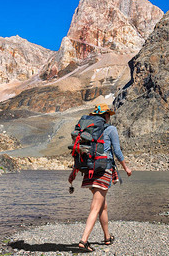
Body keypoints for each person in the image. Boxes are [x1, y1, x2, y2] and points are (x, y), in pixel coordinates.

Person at [68, 103, 132, 252]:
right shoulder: (111, 129)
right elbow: (117, 150)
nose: (109, 117)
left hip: (89, 170)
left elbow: (81, 151)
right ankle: (83, 241)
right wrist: (126, 168)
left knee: (103, 205)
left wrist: (73, 172)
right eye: (108, 114)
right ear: (106, 115)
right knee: (96, 206)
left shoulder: (89, 131)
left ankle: (107, 237)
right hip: (103, 170)